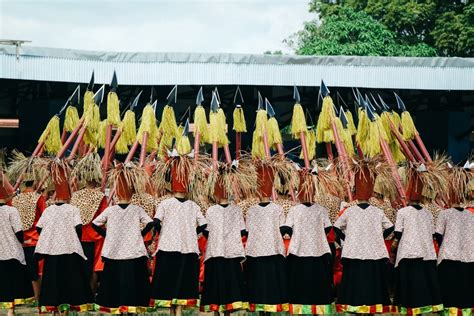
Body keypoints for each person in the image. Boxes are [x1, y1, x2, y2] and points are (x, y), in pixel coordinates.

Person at [334, 159, 395, 314]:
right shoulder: (377, 211)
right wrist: (379, 237)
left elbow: (336, 227)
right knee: (372, 282)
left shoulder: (350, 210)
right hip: (374, 253)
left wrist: (345, 240)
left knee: (355, 281)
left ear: (356, 192)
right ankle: (372, 307)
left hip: (353, 252)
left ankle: (354, 307)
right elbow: (391, 228)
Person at [150, 151, 207, 312]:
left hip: (168, 248)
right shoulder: (193, 206)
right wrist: (191, 233)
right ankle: (179, 311)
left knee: (169, 282)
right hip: (188, 249)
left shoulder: (165, 204)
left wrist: (165, 233)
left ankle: (173, 311)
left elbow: (156, 222)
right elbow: (203, 225)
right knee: (183, 284)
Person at [92, 163, 153, 313]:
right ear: (131, 192)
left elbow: (95, 224)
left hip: (114, 253)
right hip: (134, 253)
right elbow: (150, 223)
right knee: (133, 283)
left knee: (115, 284)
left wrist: (107, 235)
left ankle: (118, 308)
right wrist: (140, 234)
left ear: (117, 193)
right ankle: (132, 308)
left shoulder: (111, 210)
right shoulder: (137, 210)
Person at [34, 162, 93, 313]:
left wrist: (50, 237)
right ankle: (66, 309)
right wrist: (73, 238)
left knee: (52, 280)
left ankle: (53, 309)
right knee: (69, 279)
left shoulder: (48, 210)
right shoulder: (72, 209)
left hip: (52, 251)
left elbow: (39, 227)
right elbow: (79, 227)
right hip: (69, 250)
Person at [282, 168, 335, 314]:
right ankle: (318, 309)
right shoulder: (321, 210)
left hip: (299, 252)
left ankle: (301, 309)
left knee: (300, 283)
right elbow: (328, 228)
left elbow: (286, 229)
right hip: (318, 251)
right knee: (318, 284)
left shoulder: (294, 210)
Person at [392, 164, 443, 314]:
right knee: (423, 284)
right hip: (426, 252)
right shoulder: (427, 213)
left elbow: (398, 233)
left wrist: (395, 246)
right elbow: (433, 233)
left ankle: (409, 309)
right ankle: (424, 307)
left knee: (409, 284)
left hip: (408, 253)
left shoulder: (402, 212)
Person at [200, 167, 247, 314]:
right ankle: (228, 310)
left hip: (215, 252)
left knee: (216, 282)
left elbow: (206, 232)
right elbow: (243, 231)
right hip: (232, 253)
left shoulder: (211, 210)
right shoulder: (236, 209)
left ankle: (216, 310)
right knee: (231, 282)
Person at [245, 161, 288, 313]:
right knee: (271, 284)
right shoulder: (277, 209)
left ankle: (261, 308)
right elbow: (284, 230)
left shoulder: (251, 210)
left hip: (256, 252)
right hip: (273, 250)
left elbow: (248, 230)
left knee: (258, 284)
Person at [435, 165, 474, 314]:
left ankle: (449, 311)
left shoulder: (445, 214)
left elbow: (438, 234)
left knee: (449, 286)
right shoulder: (470, 215)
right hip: (468, 256)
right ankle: (466, 310)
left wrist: (444, 243)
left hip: (449, 255)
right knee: (466, 285)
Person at [0, 173, 34, 316]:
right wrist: (23, 241)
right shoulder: (11, 211)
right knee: (12, 282)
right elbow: (19, 232)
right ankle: (10, 310)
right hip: (12, 251)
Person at [12, 174, 46, 301]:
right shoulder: (38, 198)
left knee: (27, 269)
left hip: (20, 240)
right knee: (37, 270)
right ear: (35, 183)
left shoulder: (16, 200)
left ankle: (31, 296)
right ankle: (38, 297)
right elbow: (45, 217)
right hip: (36, 240)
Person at [70, 178, 107, 294]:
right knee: (95, 267)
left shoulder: (75, 196)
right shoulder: (100, 196)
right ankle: (91, 295)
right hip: (96, 237)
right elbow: (104, 217)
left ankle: (80, 295)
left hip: (78, 235)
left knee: (80, 267)